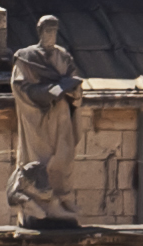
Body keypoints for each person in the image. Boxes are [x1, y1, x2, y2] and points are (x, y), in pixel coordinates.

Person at [5, 16, 88, 229]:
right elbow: (19, 87)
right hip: (37, 118)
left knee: (64, 156)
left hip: (61, 114)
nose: (51, 35)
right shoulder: (26, 57)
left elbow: (74, 81)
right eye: (47, 31)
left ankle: (63, 197)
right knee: (40, 161)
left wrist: (73, 91)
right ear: (40, 32)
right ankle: (43, 202)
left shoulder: (63, 56)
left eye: (54, 31)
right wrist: (46, 92)